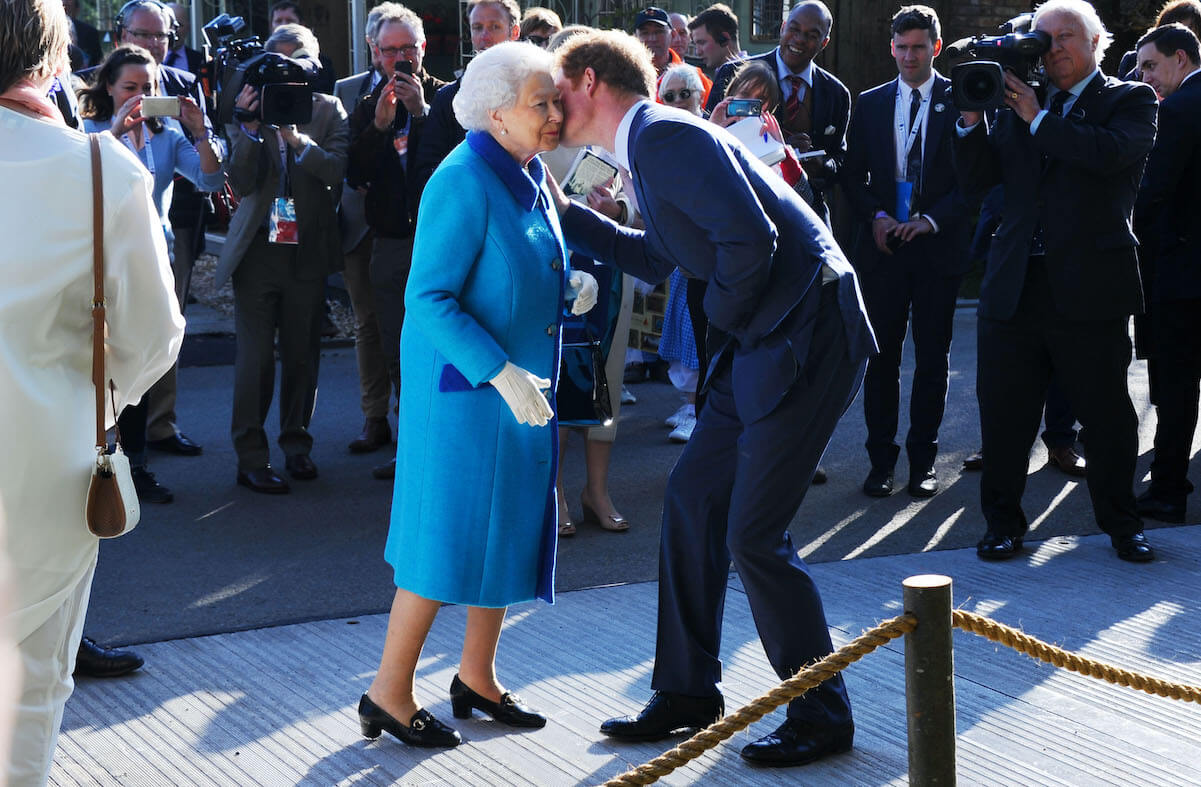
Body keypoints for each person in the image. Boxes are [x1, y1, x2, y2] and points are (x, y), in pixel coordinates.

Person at [551, 29, 876, 768]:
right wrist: (567, 214)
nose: (548, 103)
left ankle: (821, 711)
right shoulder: (650, 146)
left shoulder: (663, 137)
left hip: (804, 336)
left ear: (591, 82)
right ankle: (688, 692)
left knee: (754, 534)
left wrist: (724, 322)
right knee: (694, 499)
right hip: (766, 337)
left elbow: (750, 243)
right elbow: (658, 256)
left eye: (556, 89)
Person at [358, 41, 598, 748]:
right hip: (468, 397)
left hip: (515, 393)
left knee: (504, 532)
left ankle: (476, 677)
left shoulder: (523, 170)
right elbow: (426, 296)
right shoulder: (461, 177)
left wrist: (567, 285)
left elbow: (522, 258)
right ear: (495, 114)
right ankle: (388, 691)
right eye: (541, 103)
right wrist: (498, 369)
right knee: (445, 546)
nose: (555, 114)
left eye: (554, 100)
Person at [0, 0, 184, 779]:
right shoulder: (101, 168)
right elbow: (153, 338)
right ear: (52, 53)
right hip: (43, 475)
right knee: (28, 691)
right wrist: (94, 400)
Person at [954, 0, 1157, 563]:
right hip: (1015, 285)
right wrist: (970, 118)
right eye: (1044, 39)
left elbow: (1107, 156)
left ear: (1097, 43)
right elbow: (979, 185)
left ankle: (1123, 525)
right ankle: (1001, 524)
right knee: (1004, 417)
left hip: (1090, 287)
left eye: (1066, 36)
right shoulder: (1013, 99)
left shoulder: (1128, 99)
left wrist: (1038, 118)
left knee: (1108, 416)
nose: (1054, 48)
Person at [78, 44, 225, 505]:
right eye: (130, 88)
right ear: (108, 87)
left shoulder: (166, 134)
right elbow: (83, 186)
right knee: (96, 366)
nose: (140, 97)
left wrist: (202, 133)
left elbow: (210, 181)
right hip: (98, 260)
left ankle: (136, 466)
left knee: (139, 362)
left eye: (149, 88)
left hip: (148, 258)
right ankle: (92, 460)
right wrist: (117, 136)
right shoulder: (88, 129)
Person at [841, 5, 971, 499]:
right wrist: (876, 216)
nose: (909, 56)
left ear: (935, 48)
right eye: (901, 47)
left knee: (932, 359)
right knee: (883, 359)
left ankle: (924, 462)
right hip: (884, 249)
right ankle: (880, 462)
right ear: (890, 48)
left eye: (919, 47)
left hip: (937, 249)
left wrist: (931, 219)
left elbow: (974, 180)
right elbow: (852, 175)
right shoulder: (871, 102)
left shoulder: (959, 100)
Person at [214, 24, 348, 494]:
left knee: (302, 356)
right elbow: (243, 182)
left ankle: (297, 445)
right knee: (255, 360)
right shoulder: (245, 111)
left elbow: (335, 172)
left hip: (307, 252)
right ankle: (250, 457)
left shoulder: (328, 110)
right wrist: (251, 129)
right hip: (258, 254)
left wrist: (296, 139)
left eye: (297, 63)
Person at [337, 3, 447, 476]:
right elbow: (355, 176)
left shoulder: (446, 100)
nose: (400, 58)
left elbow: (450, 164)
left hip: (439, 240)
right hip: (390, 242)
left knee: (440, 343)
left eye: (408, 49)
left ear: (423, 49)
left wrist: (420, 112)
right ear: (375, 53)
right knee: (396, 345)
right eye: (390, 51)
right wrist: (381, 126)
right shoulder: (366, 107)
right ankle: (409, 444)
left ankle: (440, 442)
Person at [1133, 23, 1201, 524]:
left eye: (1151, 66)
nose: (1144, 78)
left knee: (1176, 387)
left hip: (1182, 273)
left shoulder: (1176, 111)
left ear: (1181, 58)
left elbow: (1152, 193)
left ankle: (1170, 488)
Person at [706, 0, 847, 226]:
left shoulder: (836, 93)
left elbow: (840, 159)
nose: (799, 39)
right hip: (742, 210)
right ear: (782, 27)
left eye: (812, 34)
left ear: (824, 42)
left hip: (806, 213)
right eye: (794, 29)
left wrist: (819, 165)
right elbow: (705, 141)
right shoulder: (734, 72)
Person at [412, 0, 520, 197]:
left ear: (514, 33)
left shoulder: (533, 94)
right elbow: (427, 173)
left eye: (495, 27)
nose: (485, 37)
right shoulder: (448, 99)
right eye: (477, 28)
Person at [634, 6, 711, 103]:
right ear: (635, 37)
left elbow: (711, 112)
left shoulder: (694, 76)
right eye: (645, 33)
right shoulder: (626, 75)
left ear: (673, 35)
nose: (652, 38)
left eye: (659, 32)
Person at [1118, 0, 1201, 78]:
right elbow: (1118, 92)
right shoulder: (1132, 60)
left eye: (1189, 33)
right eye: (1173, 32)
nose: (1181, 39)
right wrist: (1140, 69)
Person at [268, 0, 337, 94]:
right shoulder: (264, 62)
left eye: (290, 21)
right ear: (271, 26)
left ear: (301, 25)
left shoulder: (320, 64)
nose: (283, 25)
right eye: (278, 21)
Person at [687, 3, 745, 75]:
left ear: (724, 39)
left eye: (702, 43)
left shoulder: (752, 76)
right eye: (695, 44)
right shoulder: (723, 74)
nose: (698, 52)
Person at [163, 3, 203, 75]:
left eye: (179, 25)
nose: (174, 30)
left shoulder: (200, 60)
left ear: (188, 27)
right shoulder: (151, 58)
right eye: (169, 25)